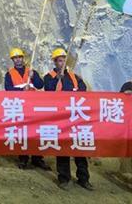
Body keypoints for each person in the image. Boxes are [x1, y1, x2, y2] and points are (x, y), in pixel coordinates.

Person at [44, 48, 92, 191]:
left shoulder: (74, 77)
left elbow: (82, 89)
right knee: (63, 149)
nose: (62, 62)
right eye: (59, 60)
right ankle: (64, 178)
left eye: (64, 59)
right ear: (55, 62)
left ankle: (83, 178)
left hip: (75, 118)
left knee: (79, 149)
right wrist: (57, 82)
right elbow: (48, 92)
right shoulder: (49, 77)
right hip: (61, 120)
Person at [4, 48, 50, 171]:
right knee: (23, 133)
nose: (18, 59)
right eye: (15, 58)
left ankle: (37, 158)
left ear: (23, 58)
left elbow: (40, 85)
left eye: (20, 57)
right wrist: (21, 90)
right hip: (20, 108)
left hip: (33, 107)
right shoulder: (9, 74)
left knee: (36, 133)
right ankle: (23, 159)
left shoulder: (31, 71)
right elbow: (8, 89)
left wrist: (34, 76)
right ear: (13, 60)